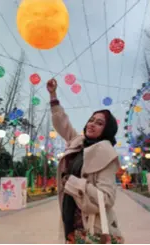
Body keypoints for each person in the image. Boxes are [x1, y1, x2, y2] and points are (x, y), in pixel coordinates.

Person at [47, 78, 124, 244]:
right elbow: (63, 124)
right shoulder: (79, 143)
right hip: (70, 221)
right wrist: (53, 95)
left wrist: (74, 183)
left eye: (99, 123)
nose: (92, 124)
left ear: (107, 129)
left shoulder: (106, 154)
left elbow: (107, 199)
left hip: (91, 226)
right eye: (91, 120)